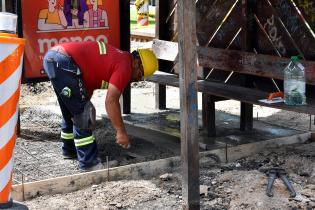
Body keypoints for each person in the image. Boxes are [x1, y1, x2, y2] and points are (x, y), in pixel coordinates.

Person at [43, 41, 158, 171]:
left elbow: (88, 84)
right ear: (137, 63)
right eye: (140, 75)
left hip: (55, 58)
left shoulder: (119, 58)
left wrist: (83, 104)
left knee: (73, 110)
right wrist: (121, 132)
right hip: (64, 61)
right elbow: (111, 101)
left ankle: (69, 150)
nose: (137, 79)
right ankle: (89, 164)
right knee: (84, 114)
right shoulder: (125, 66)